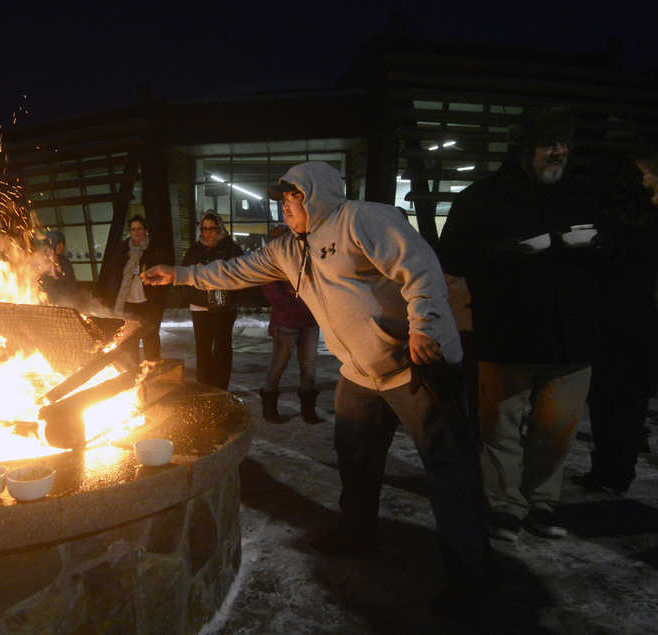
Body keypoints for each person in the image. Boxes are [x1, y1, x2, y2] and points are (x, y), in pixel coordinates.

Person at [142, 161, 493, 617]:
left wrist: (425, 325)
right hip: (360, 371)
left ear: (317, 196)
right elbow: (235, 270)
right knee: (356, 458)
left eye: (294, 200)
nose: (287, 209)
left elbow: (419, 267)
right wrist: (181, 274)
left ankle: (471, 575)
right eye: (284, 203)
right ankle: (358, 532)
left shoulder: (362, 219)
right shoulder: (288, 249)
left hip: (415, 363)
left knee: (449, 469)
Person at [439, 107, 602, 541]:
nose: (559, 152)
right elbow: (451, 257)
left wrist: (599, 247)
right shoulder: (483, 197)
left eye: (564, 143)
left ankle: (543, 500)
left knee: (556, 430)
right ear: (524, 148)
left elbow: (621, 255)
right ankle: (505, 505)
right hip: (506, 334)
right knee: (500, 431)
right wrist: (501, 254)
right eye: (550, 143)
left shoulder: (584, 195)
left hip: (573, 337)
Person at [573, 152, 658, 494]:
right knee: (631, 398)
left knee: (606, 399)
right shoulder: (649, 219)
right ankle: (619, 468)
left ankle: (608, 469)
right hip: (643, 320)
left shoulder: (603, 224)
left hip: (607, 321)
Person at [260, 225, 321, 423]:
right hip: (286, 321)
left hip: (309, 319)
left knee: (309, 366)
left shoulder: (306, 257)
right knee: (279, 365)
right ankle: (270, 409)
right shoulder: (273, 261)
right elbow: (271, 291)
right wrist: (291, 303)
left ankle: (308, 410)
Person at [181, 211, 244, 389]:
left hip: (225, 307)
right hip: (200, 306)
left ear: (220, 228)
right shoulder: (195, 250)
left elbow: (241, 275)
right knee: (203, 348)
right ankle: (204, 388)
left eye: (212, 228)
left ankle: (221, 388)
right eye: (204, 228)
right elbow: (184, 275)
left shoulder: (231, 249)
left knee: (223, 347)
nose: (207, 232)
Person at [97, 215, 169, 362]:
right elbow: (115, 277)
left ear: (145, 231)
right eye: (133, 229)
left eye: (139, 229)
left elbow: (163, 277)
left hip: (148, 303)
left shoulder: (154, 250)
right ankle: (133, 373)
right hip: (128, 303)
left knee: (151, 338)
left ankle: (151, 371)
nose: (136, 232)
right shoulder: (123, 251)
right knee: (129, 341)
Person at [39, 230, 77, 306]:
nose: (62, 247)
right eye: (59, 244)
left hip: (66, 300)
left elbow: (71, 280)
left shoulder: (64, 261)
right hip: (47, 301)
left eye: (63, 244)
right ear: (51, 245)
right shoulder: (41, 261)